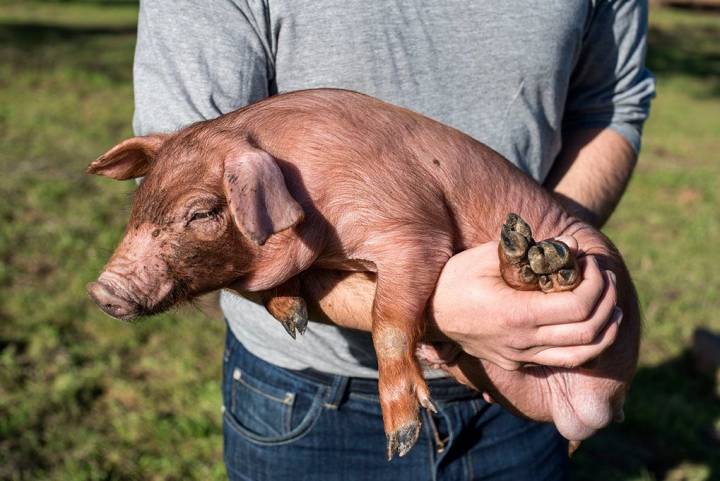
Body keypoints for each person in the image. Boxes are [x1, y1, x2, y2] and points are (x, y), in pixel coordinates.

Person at [132, 1, 655, 480]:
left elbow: (608, 108)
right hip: (309, 393)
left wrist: (542, 259)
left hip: (538, 358)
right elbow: (182, 178)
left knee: (586, 411)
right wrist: (443, 309)